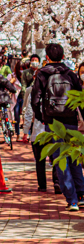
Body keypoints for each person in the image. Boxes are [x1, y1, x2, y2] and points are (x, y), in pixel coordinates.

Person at [31, 42, 84, 212]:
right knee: (74, 159)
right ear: (63, 56)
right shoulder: (71, 74)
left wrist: (42, 118)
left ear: (47, 57)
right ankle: (82, 195)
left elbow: (35, 101)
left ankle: (72, 199)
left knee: (61, 161)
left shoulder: (42, 74)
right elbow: (80, 99)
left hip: (53, 123)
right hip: (71, 121)